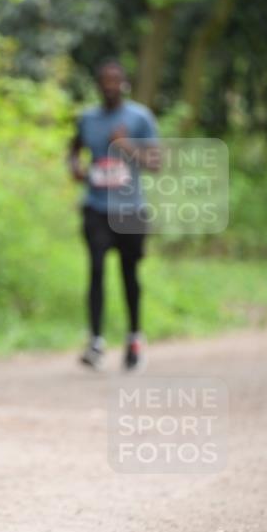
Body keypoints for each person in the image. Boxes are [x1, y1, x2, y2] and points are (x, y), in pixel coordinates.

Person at [68, 58, 159, 372]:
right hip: (96, 207)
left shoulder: (139, 117)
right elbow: (74, 148)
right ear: (98, 85)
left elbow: (156, 162)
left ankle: (134, 338)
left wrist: (125, 146)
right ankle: (95, 341)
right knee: (95, 270)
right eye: (104, 81)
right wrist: (76, 168)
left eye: (115, 80)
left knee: (129, 274)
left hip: (131, 209)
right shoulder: (88, 118)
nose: (110, 86)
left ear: (125, 84)